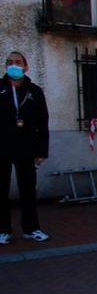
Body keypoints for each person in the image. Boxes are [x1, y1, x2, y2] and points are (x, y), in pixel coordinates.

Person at [0, 51, 50, 244]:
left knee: (28, 190)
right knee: (0, 190)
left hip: (26, 148)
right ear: (5, 66)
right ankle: (3, 230)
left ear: (26, 67)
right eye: (10, 62)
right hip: (2, 147)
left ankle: (31, 229)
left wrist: (41, 151)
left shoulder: (35, 91)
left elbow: (43, 122)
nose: (14, 65)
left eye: (18, 62)